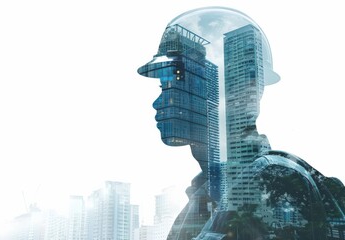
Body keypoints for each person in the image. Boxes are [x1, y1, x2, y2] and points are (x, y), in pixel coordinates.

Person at [138, 6, 345, 240]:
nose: (158, 102)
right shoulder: (203, 195)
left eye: (171, 85)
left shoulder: (274, 177)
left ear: (223, 87)